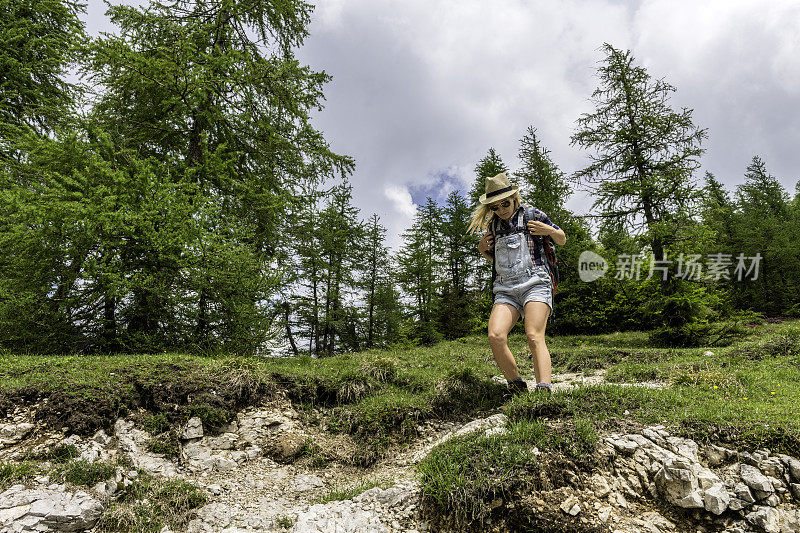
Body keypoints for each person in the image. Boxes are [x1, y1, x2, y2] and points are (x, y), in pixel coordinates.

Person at [468, 172, 567, 395]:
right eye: (495, 206)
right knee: (495, 335)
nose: (501, 209)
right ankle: (517, 387)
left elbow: (562, 239)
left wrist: (549, 231)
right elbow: (498, 261)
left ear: (515, 198)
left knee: (533, 335)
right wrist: (482, 250)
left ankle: (543, 391)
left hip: (535, 282)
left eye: (505, 203)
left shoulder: (532, 214)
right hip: (505, 288)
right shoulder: (493, 227)